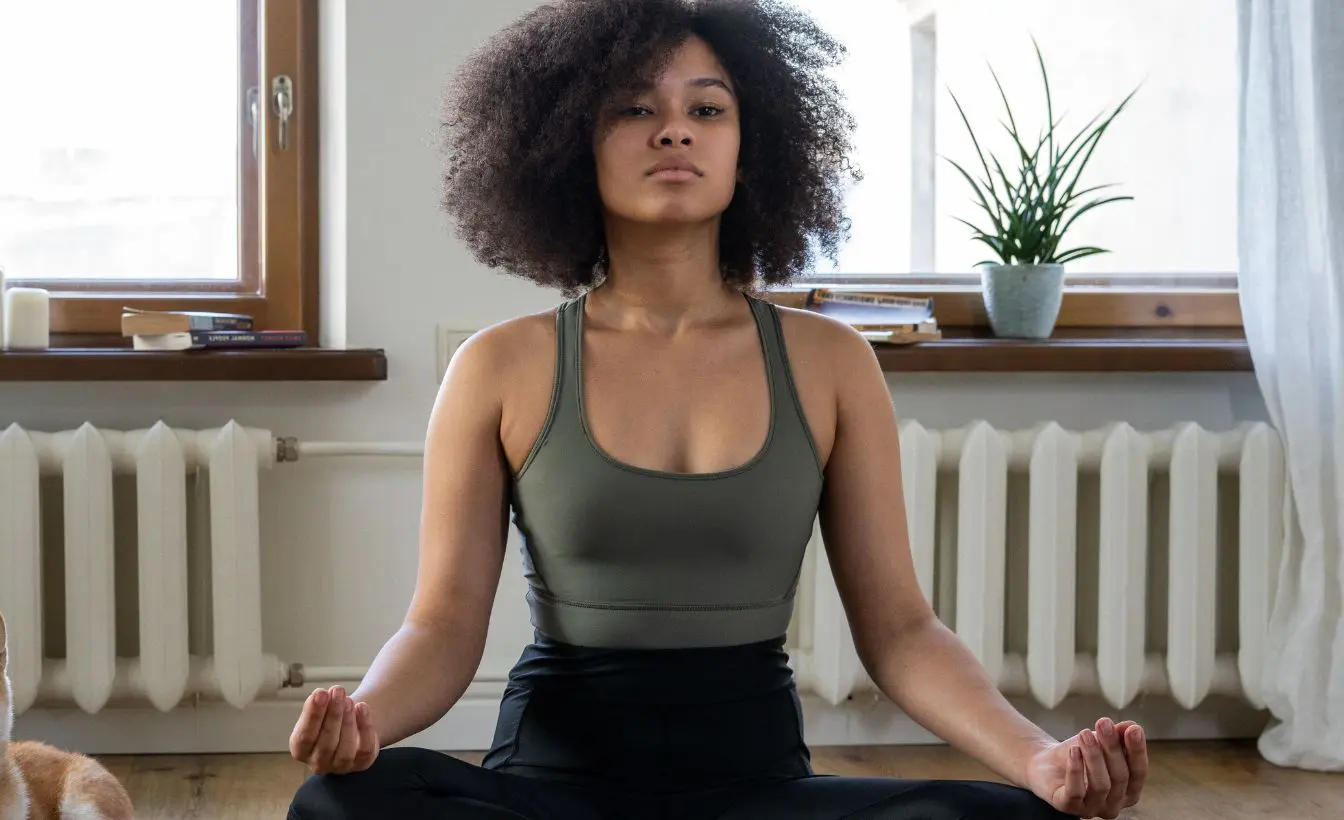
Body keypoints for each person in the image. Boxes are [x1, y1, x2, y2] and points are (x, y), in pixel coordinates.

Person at [285, 1, 1151, 818]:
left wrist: (1041, 758)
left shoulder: (832, 362)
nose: (674, 131)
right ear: (566, 145)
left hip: (757, 792)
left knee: (1021, 815)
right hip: (552, 790)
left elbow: (902, 633)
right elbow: (439, 628)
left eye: (708, 110)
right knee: (343, 802)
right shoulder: (500, 366)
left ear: (753, 148)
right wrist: (362, 720)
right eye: (632, 110)